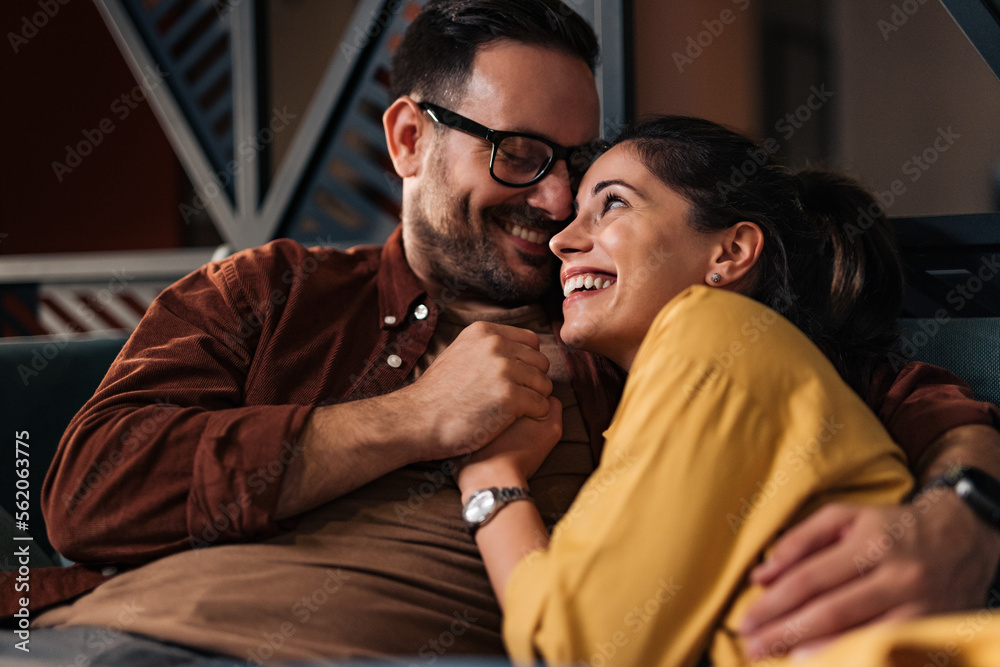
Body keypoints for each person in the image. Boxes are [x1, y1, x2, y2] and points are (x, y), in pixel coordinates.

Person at [1, 1, 997, 663]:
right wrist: (414, 418)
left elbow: (889, 394)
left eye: (581, 162)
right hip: (96, 632)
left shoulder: (627, 330)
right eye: (521, 155)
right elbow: (90, 493)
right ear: (406, 140)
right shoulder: (269, 290)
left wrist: (962, 511)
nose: (556, 201)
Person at [452, 115, 1000, 666]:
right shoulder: (699, 374)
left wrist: (489, 479)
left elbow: (577, 652)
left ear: (731, 252)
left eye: (612, 204)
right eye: (574, 216)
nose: (562, 241)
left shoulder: (711, 334)